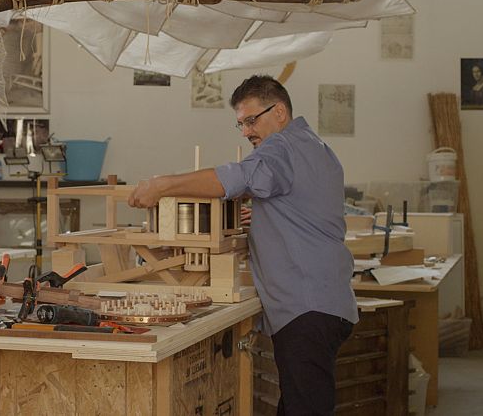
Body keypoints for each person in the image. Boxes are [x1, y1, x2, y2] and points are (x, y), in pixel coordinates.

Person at [128, 74, 357, 416]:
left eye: (252, 120)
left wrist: (161, 185)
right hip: (326, 303)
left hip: (306, 309)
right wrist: (264, 220)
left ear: (279, 111)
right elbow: (297, 207)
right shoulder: (315, 147)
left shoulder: (282, 147)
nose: (248, 131)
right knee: (299, 405)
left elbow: (239, 178)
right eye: (241, 124)